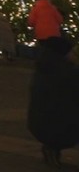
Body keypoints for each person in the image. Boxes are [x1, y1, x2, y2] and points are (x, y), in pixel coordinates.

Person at [28, 36, 79, 167]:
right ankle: (52, 147)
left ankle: (51, 148)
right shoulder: (67, 72)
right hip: (58, 123)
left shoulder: (44, 67)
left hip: (40, 121)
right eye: (71, 52)